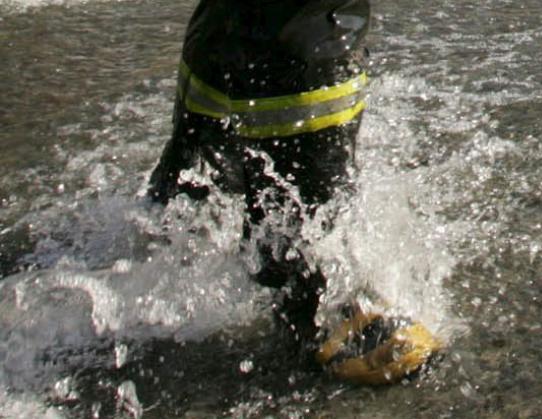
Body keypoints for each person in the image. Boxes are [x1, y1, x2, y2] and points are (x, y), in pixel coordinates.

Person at [148, 0, 439, 384]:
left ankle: (152, 277)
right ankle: (325, 316)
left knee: (187, 193)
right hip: (302, 39)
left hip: (219, 31)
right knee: (304, 238)